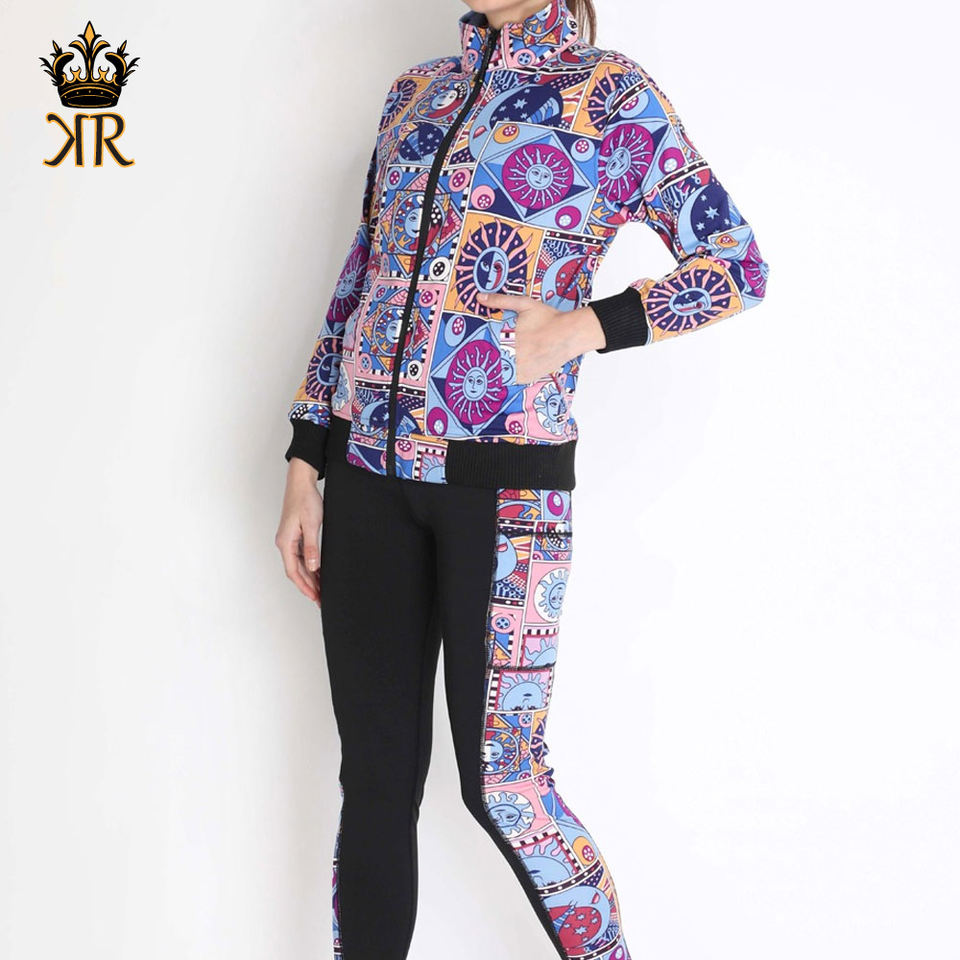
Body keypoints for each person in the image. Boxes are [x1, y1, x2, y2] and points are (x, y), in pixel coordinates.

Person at [275, 0, 769, 956]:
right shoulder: (414, 95)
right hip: (367, 480)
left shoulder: (610, 94)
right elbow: (361, 277)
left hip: (506, 497)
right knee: (374, 778)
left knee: (505, 784)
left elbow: (737, 265)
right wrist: (306, 459)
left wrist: (584, 327)